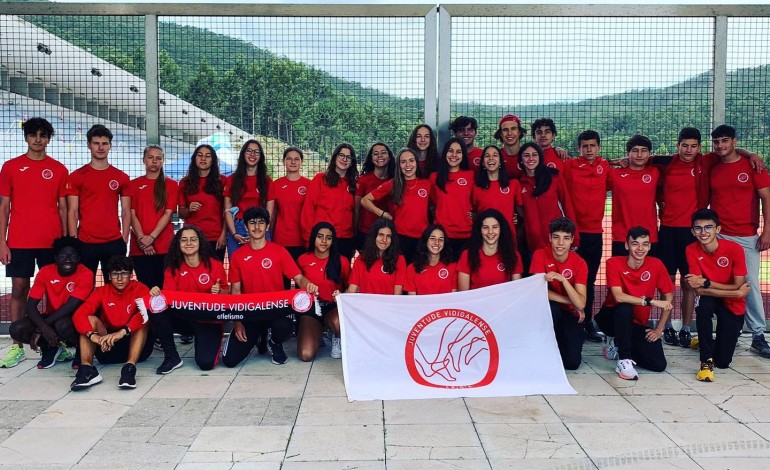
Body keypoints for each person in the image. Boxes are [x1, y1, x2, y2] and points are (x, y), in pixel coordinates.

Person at [0, 117, 68, 368]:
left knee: (53, 293)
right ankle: (16, 345)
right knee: (19, 289)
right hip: (19, 241)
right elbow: (4, 207)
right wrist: (2, 242)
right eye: (33, 135)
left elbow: (63, 208)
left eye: (43, 135)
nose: (38, 139)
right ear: (26, 138)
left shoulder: (59, 169)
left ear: (49, 139)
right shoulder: (10, 167)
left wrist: (66, 242)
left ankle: (54, 342)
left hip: (51, 242)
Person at [223, 207, 318, 367]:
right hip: (250, 312)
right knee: (230, 361)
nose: (257, 227)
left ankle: (274, 342)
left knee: (285, 325)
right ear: (246, 227)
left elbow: (299, 278)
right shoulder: (238, 256)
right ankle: (259, 337)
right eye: (252, 223)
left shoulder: (279, 251)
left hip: (275, 310)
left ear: (267, 226)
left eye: (261, 223)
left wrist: (307, 284)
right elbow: (236, 292)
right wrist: (237, 323)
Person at [707, 124, 770, 358]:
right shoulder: (712, 164)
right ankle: (717, 332)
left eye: (725, 141)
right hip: (718, 235)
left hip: (746, 236)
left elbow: (767, 199)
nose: (720, 145)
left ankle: (757, 334)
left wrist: (767, 231)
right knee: (714, 283)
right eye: (716, 142)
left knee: (749, 283)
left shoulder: (753, 165)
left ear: (734, 141)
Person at [595, 227, 674, 380]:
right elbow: (618, 296)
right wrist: (650, 301)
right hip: (610, 318)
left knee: (658, 365)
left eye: (645, 244)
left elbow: (669, 298)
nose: (640, 248)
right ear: (627, 246)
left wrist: (659, 329)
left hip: (635, 323)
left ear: (650, 246)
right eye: (635, 244)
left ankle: (619, 344)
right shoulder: (614, 263)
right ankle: (623, 360)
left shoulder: (656, 264)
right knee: (625, 308)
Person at [149, 225, 229, 372]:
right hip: (185, 317)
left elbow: (227, 294)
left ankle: (208, 340)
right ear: (178, 245)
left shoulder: (215, 265)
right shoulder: (173, 268)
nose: (189, 243)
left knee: (206, 364)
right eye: (184, 240)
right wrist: (157, 293)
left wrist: (219, 291)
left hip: (209, 319)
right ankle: (172, 357)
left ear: (200, 243)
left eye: (193, 239)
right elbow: (169, 300)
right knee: (156, 306)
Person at [684, 209, 749, 382]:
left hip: (732, 303)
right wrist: (736, 292)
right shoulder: (691, 250)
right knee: (703, 306)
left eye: (708, 227)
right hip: (716, 297)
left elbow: (737, 283)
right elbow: (698, 290)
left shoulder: (735, 249)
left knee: (723, 362)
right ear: (692, 231)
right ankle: (706, 361)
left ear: (718, 229)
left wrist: (706, 283)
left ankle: (705, 343)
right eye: (698, 228)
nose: (703, 232)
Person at [70, 256, 153, 390]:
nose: (119, 278)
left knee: (144, 316)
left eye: (124, 273)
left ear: (131, 275)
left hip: (136, 347)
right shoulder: (102, 291)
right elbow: (79, 315)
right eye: (115, 274)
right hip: (107, 346)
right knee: (90, 319)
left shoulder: (140, 288)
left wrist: (123, 332)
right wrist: (94, 337)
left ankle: (129, 369)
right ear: (109, 275)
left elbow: (147, 314)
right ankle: (87, 369)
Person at [9, 237, 91, 369]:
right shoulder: (45, 271)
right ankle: (51, 347)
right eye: (63, 255)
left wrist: (40, 329)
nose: (68, 259)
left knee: (62, 324)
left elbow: (70, 307)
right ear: (56, 257)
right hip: (52, 316)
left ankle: (81, 349)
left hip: (74, 319)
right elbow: (30, 306)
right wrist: (44, 327)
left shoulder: (86, 273)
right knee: (16, 328)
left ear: (79, 258)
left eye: (73, 256)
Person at [66, 124, 130, 284]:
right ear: (89, 145)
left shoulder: (121, 177)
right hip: (85, 243)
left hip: (114, 242)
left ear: (110, 145)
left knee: (116, 288)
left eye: (104, 143)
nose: (100, 147)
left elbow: (127, 211)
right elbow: (72, 212)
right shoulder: (77, 176)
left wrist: (124, 238)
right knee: (83, 288)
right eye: (96, 143)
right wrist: (74, 241)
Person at [563, 130, 609, 342]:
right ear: (578, 148)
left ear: (598, 147)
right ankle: (569, 321)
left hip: (594, 234)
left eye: (592, 145)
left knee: (589, 280)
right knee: (568, 278)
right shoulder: (570, 166)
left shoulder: (606, 166)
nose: (588, 149)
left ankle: (588, 322)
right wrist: (556, 150)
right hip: (573, 234)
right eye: (584, 146)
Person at [530, 218, 587, 370]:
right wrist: (571, 301)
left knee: (572, 363)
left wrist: (563, 280)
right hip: (549, 311)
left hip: (570, 314)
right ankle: (544, 350)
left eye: (566, 238)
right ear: (550, 238)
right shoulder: (540, 255)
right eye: (556, 237)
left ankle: (561, 345)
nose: (561, 243)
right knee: (552, 308)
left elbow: (581, 304)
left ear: (572, 240)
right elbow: (537, 291)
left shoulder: (580, 263)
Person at [361, 148, 432, 263]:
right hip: (399, 238)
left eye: (411, 160)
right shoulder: (393, 184)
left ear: (416, 163)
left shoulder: (427, 184)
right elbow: (365, 200)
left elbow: (438, 205)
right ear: (399, 165)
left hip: (422, 238)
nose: (408, 165)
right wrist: (383, 214)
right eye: (403, 162)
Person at [127, 145, 179, 291]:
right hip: (140, 247)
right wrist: (142, 238)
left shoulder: (172, 185)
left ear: (163, 161)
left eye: (158, 158)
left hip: (164, 247)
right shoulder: (133, 185)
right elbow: (131, 215)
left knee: (165, 290)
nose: (154, 161)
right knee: (145, 290)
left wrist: (152, 238)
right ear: (144, 160)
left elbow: (168, 214)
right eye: (150, 157)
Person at [296, 222, 350, 361]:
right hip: (312, 309)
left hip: (333, 307)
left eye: (329, 238)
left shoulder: (342, 261)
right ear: (314, 238)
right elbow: (297, 286)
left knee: (337, 322)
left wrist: (342, 295)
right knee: (306, 355)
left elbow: (351, 286)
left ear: (333, 241)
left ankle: (336, 336)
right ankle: (317, 333)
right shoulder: (303, 259)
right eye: (320, 237)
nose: (324, 241)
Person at [518, 142, 579, 256]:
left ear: (540, 157)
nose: (531, 158)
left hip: (557, 243)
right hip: (532, 246)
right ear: (521, 159)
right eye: (526, 155)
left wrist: (575, 237)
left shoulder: (554, 177)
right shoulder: (519, 183)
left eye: (534, 155)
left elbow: (567, 205)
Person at [301, 143, 358, 259]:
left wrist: (354, 242)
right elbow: (308, 211)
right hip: (323, 239)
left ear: (352, 161)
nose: (344, 159)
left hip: (346, 240)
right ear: (335, 157)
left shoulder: (354, 184)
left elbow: (355, 214)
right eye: (341, 155)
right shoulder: (320, 179)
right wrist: (309, 240)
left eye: (348, 157)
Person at [608, 135, 660, 257]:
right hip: (622, 236)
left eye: (644, 151)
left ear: (649, 154)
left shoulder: (656, 172)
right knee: (621, 275)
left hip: (649, 236)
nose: (640, 155)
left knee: (649, 275)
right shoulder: (614, 174)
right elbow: (595, 166)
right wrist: (611, 161)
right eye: (635, 151)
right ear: (628, 153)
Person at [224, 139, 273, 258]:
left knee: (263, 267)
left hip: (260, 228)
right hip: (238, 227)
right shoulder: (232, 180)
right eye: (249, 151)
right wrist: (234, 234)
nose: (252, 154)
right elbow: (227, 211)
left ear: (261, 156)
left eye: (256, 152)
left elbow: (269, 212)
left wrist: (262, 230)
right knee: (238, 269)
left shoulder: (267, 181)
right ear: (243, 154)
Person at [178, 144, 227, 261]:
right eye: (200, 155)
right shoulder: (185, 182)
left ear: (213, 160)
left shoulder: (223, 181)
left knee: (215, 274)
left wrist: (224, 235)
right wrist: (189, 209)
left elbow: (227, 212)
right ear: (194, 158)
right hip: (192, 237)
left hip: (215, 236)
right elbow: (181, 213)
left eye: (207, 156)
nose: (203, 159)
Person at [430, 137, 474, 259]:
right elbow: (432, 203)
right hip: (443, 235)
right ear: (445, 153)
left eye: (458, 152)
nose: (454, 155)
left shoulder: (470, 176)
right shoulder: (434, 177)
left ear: (463, 155)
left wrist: (475, 214)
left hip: (467, 235)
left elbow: (478, 201)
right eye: (450, 151)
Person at [457, 209, 523, 290]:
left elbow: (517, 291)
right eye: (485, 227)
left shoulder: (513, 255)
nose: (490, 232)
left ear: (501, 229)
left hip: (504, 302)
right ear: (479, 230)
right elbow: (464, 294)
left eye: (495, 227)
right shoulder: (467, 255)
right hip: (477, 302)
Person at [268, 147, 312, 262]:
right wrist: (269, 237)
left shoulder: (309, 185)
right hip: (281, 240)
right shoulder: (275, 185)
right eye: (289, 159)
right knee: (282, 279)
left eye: (296, 159)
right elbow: (271, 215)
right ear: (283, 161)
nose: (293, 162)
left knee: (302, 279)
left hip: (303, 240)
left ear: (301, 162)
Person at [472, 144, 522, 233]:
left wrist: (516, 217)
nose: (491, 158)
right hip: (486, 236)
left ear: (500, 161)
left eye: (495, 155)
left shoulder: (513, 184)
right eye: (487, 156)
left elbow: (522, 212)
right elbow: (473, 214)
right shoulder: (476, 187)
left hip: (507, 236)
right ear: (483, 162)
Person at [347, 218, 406, 295]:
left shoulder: (399, 260)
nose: (384, 239)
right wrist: (340, 297)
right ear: (374, 236)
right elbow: (352, 291)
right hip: (365, 306)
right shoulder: (361, 259)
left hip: (388, 306)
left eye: (388, 236)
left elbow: (397, 294)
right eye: (381, 235)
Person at [355, 143, 394, 250]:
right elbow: (357, 209)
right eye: (376, 154)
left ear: (389, 157)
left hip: (388, 233)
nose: (380, 156)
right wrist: (354, 233)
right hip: (365, 232)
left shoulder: (395, 181)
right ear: (371, 159)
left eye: (383, 153)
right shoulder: (363, 180)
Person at [404, 224, 457, 295]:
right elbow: (413, 302)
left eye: (441, 239)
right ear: (425, 241)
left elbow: (453, 299)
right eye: (432, 238)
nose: (437, 243)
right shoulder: (412, 269)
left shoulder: (453, 267)